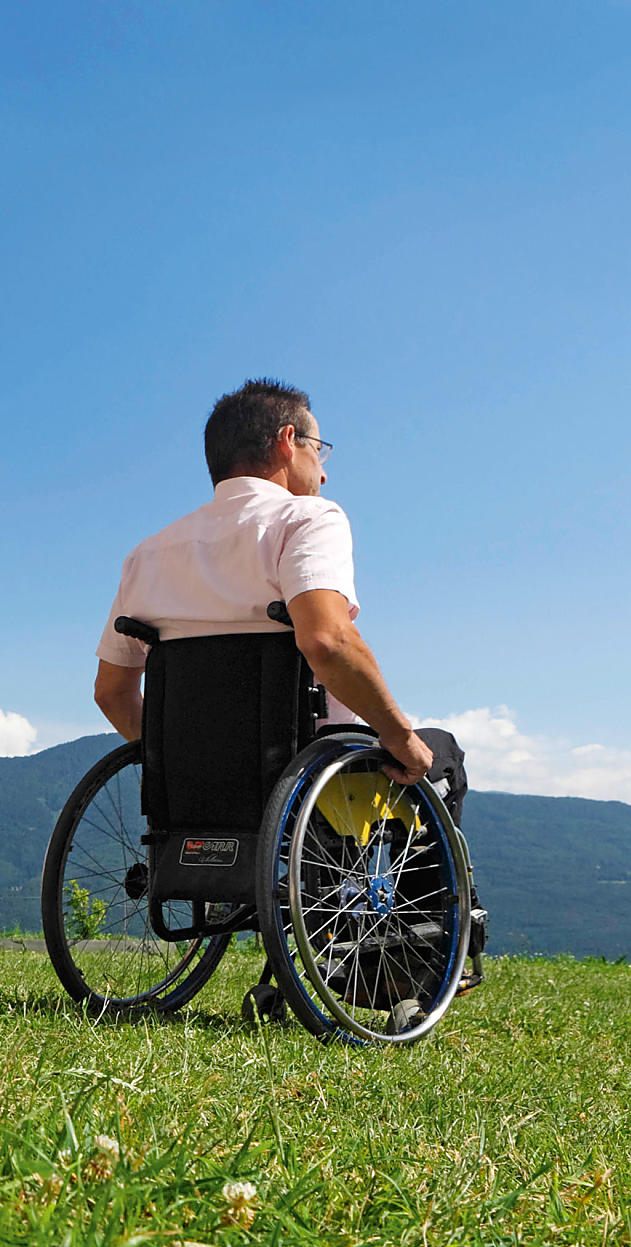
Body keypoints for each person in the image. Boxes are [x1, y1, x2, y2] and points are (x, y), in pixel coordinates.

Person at [94, 378, 483, 982]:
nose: (323, 473)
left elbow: (112, 692)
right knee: (441, 755)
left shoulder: (149, 554)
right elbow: (326, 640)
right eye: (319, 449)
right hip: (308, 775)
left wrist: (180, 758)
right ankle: (424, 965)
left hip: (191, 791)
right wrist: (401, 735)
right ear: (286, 441)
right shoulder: (307, 520)